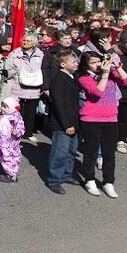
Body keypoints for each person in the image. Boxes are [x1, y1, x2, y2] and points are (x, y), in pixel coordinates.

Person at [77, 51, 127, 198]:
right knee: (91, 152)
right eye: (93, 62)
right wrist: (104, 75)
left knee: (109, 154)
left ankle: (108, 182)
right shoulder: (84, 78)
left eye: (99, 61)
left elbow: (125, 81)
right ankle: (89, 179)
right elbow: (97, 92)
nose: (98, 65)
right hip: (91, 119)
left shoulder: (110, 74)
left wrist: (116, 67)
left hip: (111, 119)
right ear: (86, 65)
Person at [46, 51, 81, 195]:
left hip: (73, 121)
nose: (76, 64)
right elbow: (59, 104)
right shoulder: (59, 79)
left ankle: (66, 174)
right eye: (73, 62)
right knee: (59, 152)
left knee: (71, 151)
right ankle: (54, 180)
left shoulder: (71, 77)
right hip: (63, 123)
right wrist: (67, 125)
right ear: (63, 64)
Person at [5, 33, 44, 142]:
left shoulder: (41, 54)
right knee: (15, 111)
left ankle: (28, 132)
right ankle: (14, 131)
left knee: (31, 113)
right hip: (18, 86)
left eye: (28, 41)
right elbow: (8, 67)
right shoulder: (15, 53)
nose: (25, 42)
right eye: (24, 40)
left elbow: (43, 68)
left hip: (34, 87)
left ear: (34, 43)